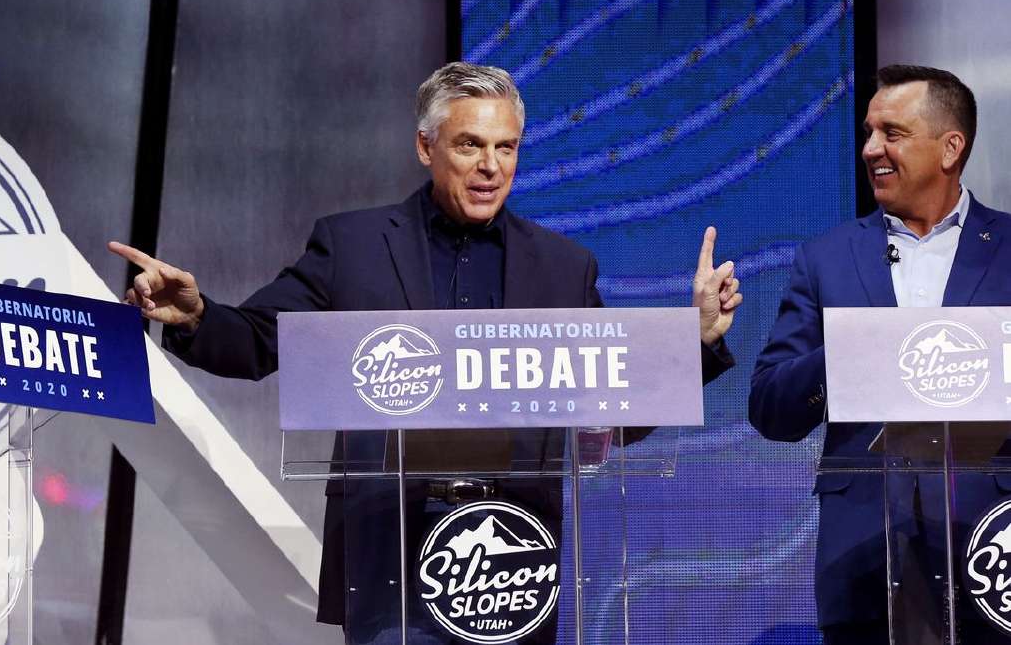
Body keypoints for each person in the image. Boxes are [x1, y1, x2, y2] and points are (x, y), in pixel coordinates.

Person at [111, 61, 740, 642]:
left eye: (506, 147)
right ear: (426, 147)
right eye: (470, 144)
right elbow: (257, 341)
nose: (491, 166)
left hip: (513, 557)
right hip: (390, 546)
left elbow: (614, 412)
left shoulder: (562, 267)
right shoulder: (352, 246)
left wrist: (696, 342)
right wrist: (196, 314)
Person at [750, 65, 1011, 644]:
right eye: (868, 133)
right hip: (862, 552)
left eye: (892, 133)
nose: (871, 149)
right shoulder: (827, 259)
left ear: (950, 147)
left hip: (992, 546)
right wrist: (848, 352)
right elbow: (770, 408)